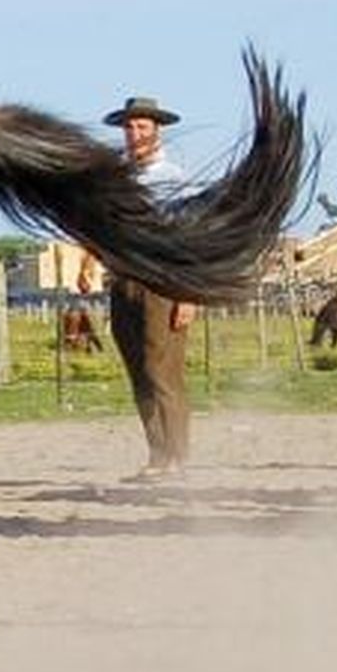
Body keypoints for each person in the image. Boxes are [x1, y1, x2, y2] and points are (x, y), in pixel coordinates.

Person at [80, 96, 196, 480]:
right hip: (122, 279)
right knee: (138, 371)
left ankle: (178, 455)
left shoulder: (174, 179)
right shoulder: (116, 178)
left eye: (142, 127)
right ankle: (157, 454)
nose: (134, 134)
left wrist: (188, 294)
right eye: (129, 127)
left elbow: (185, 239)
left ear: (156, 130)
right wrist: (90, 260)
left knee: (162, 370)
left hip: (161, 282)